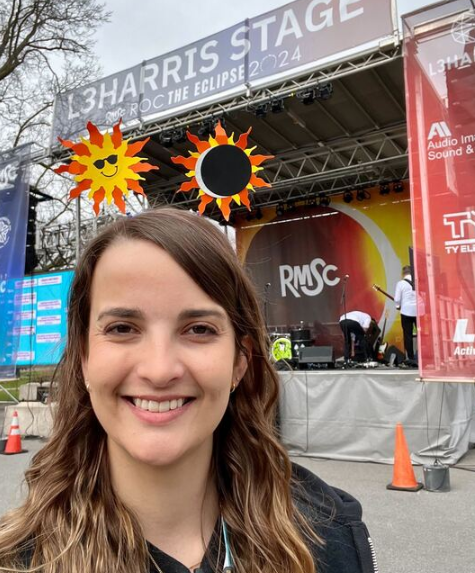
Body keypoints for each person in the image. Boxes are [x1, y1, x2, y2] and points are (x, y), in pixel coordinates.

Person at [0, 208, 377, 573]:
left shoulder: (326, 537)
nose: (160, 370)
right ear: (84, 358)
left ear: (239, 362)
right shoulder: (17, 559)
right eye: (122, 328)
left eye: (199, 329)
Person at [394, 265, 418, 367]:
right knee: (422, 335)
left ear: (403, 273)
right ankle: (425, 356)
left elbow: (397, 299)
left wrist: (398, 306)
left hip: (406, 311)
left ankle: (411, 358)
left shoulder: (401, 284)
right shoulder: (418, 281)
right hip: (418, 311)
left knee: (407, 335)